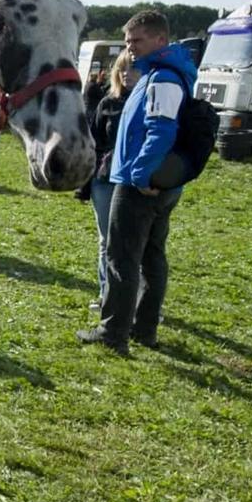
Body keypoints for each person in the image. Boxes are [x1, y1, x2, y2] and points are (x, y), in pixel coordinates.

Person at [78, 10, 194, 354]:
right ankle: (143, 329)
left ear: (161, 40)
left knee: (122, 256)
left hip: (140, 184)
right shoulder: (158, 73)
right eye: (127, 42)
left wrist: (140, 174)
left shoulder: (163, 79)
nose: (130, 48)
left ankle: (114, 333)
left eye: (137, 40)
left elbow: (161, 131)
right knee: (150, 256)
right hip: (154, 181)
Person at [75, 49, 138, 308]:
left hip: (134, 181)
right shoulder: (107, 103)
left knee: (133, 242)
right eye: (122, 69)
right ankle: (106, 294)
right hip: (104, 178)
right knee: (106, 240)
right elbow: (94, 140)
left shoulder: (146, 101)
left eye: (132, 69)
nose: (126, 74)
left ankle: (136, 302)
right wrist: (85, 183)